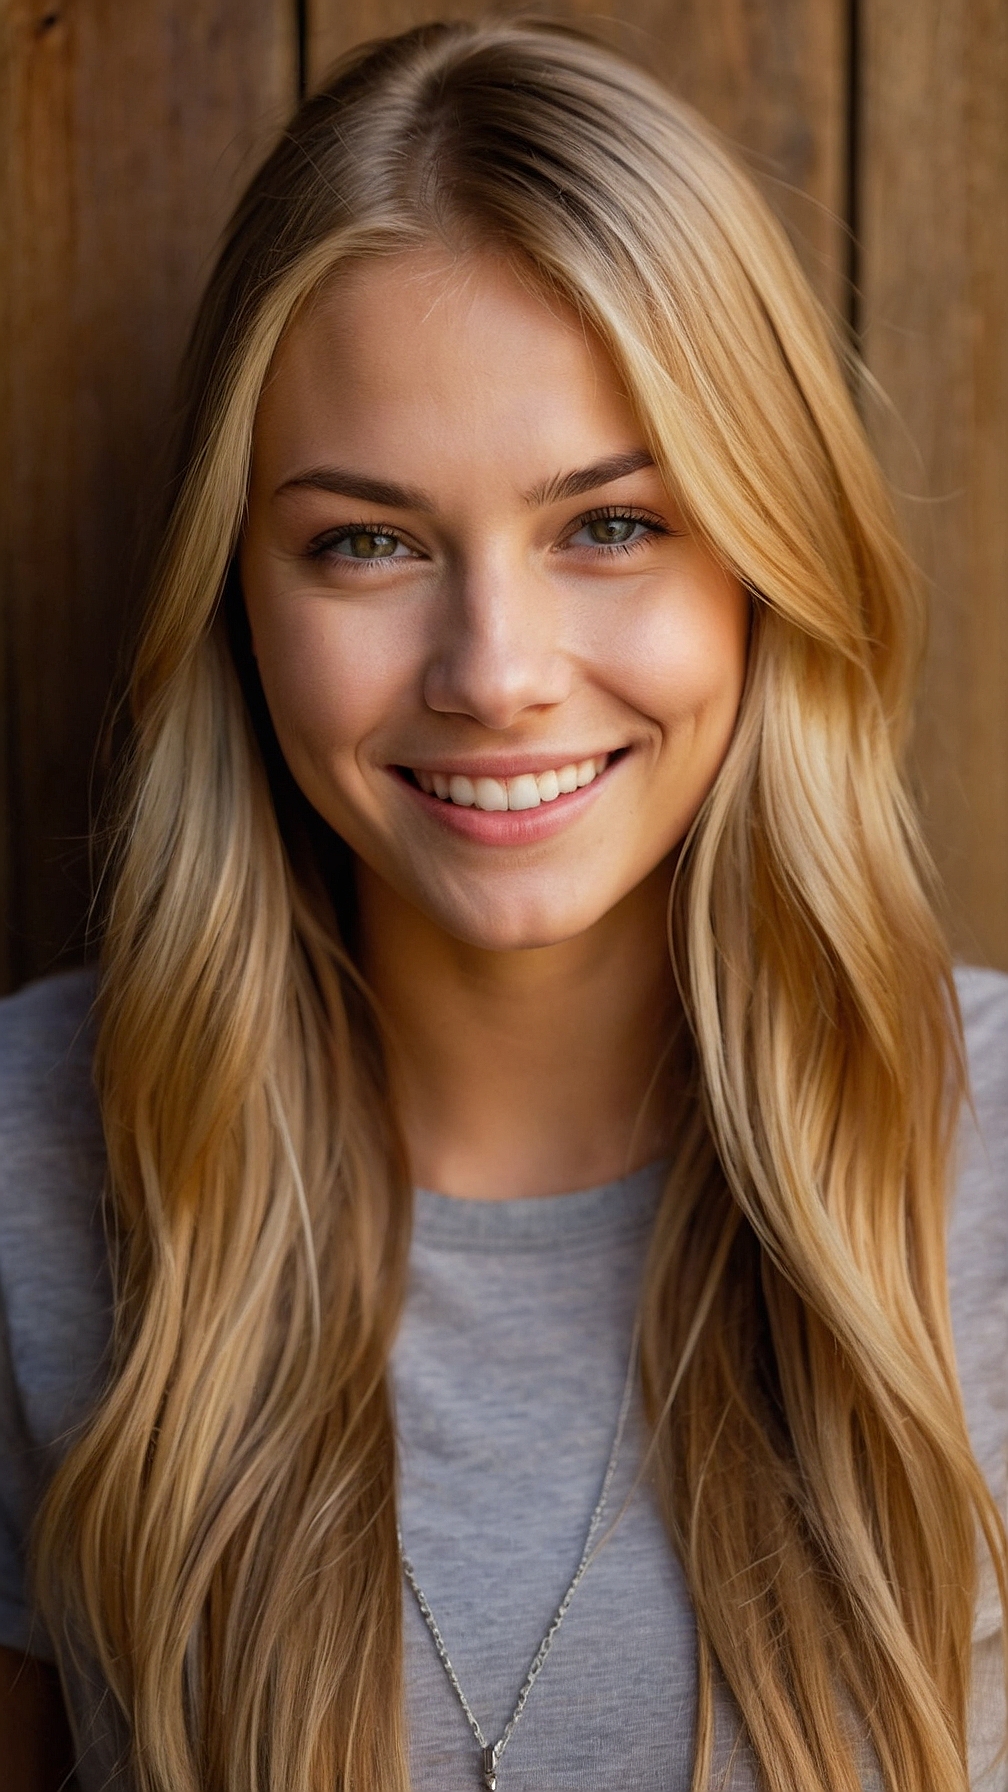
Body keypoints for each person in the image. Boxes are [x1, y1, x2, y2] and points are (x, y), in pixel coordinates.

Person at [0, 16, 1005, 1792]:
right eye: (366, 542)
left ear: (771, 560)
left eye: (610, 525)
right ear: (235, 593)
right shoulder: (26, 1166)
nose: (497, 671)